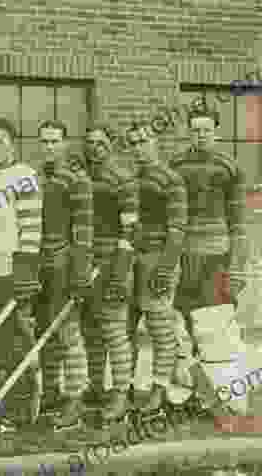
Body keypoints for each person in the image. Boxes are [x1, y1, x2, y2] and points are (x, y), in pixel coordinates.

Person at [170, 107, 248, 404]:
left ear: (215, 131)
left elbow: (238, 219)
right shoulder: (176, 165)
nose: (200, 135)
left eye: (206, 130)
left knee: (215, 324)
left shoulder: (230, 167)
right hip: (184, 254)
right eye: (194, 130)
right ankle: (190, 391)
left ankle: (222, 393)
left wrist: (237, 263)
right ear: (188, 132)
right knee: (184, 322)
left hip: (217, 254)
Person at [0, 118, 43, 432]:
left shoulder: (25, 176)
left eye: (0, 141)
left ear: (12, 143)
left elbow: (31, 227)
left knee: (15, 340)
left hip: (11, 271)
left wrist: (25, 270)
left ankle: (20, 410)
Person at [32, 119, 93, 430]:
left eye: (55, 141)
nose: (49, 147)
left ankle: (75, 399)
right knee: (44, 333)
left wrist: (79, 272)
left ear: (65, 144)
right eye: (44, 142)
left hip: (64, 265)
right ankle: (51, 393)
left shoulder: (78, 181)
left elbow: (83, 231)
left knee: (68, 334)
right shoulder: (35, 179)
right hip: (38, 266)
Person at [126, 122, 187, 415]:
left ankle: (159, 389)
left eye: (144, 141)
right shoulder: (129, 179)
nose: (139, 148)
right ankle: (124, 388)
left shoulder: (171, 180)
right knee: (123, 328)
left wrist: (165, 268)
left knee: (159, 327)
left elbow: (177, 229)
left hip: (157, 259)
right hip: (128, 260)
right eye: (133, 143)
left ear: (156, 142)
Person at [80, 123, 138, 424]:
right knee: (91, 330)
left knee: (115, 331)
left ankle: (120, 394)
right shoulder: (80, 178)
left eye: (101, 143)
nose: (95, 148)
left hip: (113, 263)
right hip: (84, 263)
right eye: (89, 143)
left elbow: (131, 230)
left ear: (111, 146)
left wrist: (119, 273)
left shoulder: (123, 180)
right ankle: (96, 386)